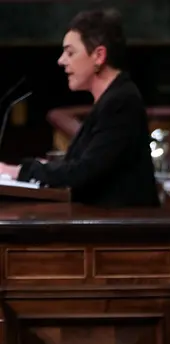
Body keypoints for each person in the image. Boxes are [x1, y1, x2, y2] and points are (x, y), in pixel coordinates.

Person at [0, 8, 159, 207]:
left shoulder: (122, 102)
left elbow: (84, 172)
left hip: (120, 231)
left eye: (70, 52)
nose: (61, 61)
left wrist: (20, 171)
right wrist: (46, 167)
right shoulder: (112, 99)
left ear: (99, 56)